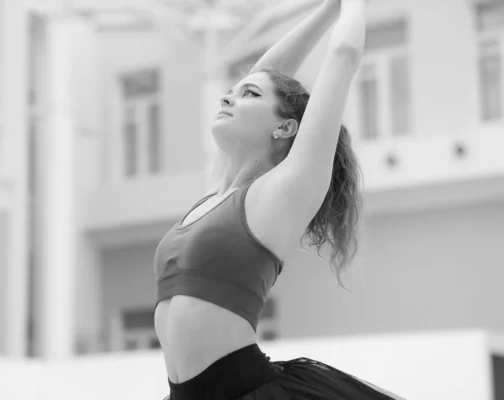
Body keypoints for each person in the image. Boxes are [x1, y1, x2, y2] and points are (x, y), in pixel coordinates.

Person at [153, 0, 406, 398]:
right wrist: (327, 8)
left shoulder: (284, 192)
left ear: (286, 127)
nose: (227, 98)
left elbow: (342, 55)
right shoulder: (218, 191)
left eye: (247, 94)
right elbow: (266, 73)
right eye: (229, 93)